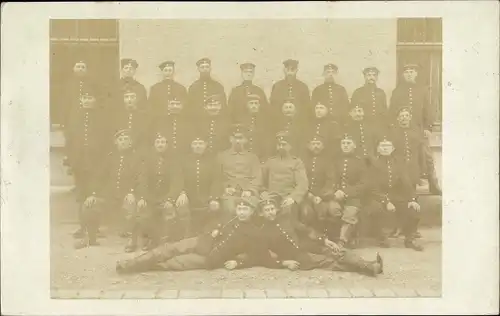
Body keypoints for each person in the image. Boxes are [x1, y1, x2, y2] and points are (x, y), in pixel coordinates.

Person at [115, 196, 264, 273]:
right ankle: (129, 264)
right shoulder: (229, 219)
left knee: (171, 264)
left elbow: (255, 255)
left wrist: (238, 263)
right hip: (202, 241)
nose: (242, 212)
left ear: (252, 212)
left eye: (246, 210)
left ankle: (135, 267)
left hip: (210, 257)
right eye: (239, 209)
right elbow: (213, 226)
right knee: (168, 249)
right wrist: (213, 232)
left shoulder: (255, 232)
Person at [256, 195, 384, 277]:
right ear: (261, 214)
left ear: (277, 209)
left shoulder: (287, 219)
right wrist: (284, 263)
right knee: (331, 262)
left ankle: (368, 265)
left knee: (338, 251)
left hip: (309, 246)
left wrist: (324, 240)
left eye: (272, 209)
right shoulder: (262, 232)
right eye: (267, 210)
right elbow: (264, 257)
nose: (270, 212)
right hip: (299, 257)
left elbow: (306, 230)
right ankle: (369, 267)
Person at [75, 129, 142, 251]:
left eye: (126, 139)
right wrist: (93, 194)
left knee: (131, 205)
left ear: (131, 143)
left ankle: (132, 240)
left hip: (127, 196)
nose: (123, 142)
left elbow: (141, 179)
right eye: (120, 140)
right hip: (110, 197)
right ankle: (91, 238)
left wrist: (132, 192)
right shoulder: (110, 158)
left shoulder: (137, 158)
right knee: (89, 204)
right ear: (115, 142)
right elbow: (99, 177)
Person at [389, 63, 441, 195]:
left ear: (416, 74)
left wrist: (428, 127)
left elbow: (428, 110)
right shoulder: (397, 91)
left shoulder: (422, 90)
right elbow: (392, 111)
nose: (409, 74)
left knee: (427, 157)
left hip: (419, 129)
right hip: (401, 130)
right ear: (403, 75)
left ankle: (434, 185)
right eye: (406, 72)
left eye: (411, 71)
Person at [365, 136, 423, 251]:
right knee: (376, 209)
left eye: (388, 146)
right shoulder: (373, 165)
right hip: (378, 196)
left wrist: (412, 199)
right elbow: (372, 187)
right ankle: (381, 238)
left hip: (396, 196)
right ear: (378, 149)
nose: (385, 148)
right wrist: (385, 201)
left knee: (412, 209)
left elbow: (406, 183)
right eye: (382, 146)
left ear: (392, 149)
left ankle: (410, 239)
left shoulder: (399, 163)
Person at [66, 83, 107, 239]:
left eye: (90, 97)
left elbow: (106, 143)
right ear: (81, 100)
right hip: (80, 163)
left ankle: (94, 228)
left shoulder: (101, 118)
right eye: (85, 98)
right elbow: (70, 141)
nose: (88, 100)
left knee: (94, 194)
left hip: (97, 164)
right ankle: (83, 227)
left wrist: (103, 164)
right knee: (81, 195)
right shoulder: (75, 118)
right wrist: (71, 161)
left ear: (95, 100)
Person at [136, 131, 185, 250]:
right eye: (158, 142)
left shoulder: (174, 160)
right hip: (151, 196)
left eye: (163, 142)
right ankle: (150, 240)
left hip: (166, 195)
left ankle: (167, 241)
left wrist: (170, 199)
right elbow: (142, 180)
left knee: (169, 211)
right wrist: (143, 197)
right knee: (144, 211)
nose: (160, 145)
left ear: (167, 145)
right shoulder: (147, 160)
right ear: (154, 144)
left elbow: (176, 181)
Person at [388, 107, 424, 239]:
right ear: (398, 119)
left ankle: (413, 229)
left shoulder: (416, 133)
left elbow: (421, 154)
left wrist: (422, 171)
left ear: (410, 117)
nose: (404, 118)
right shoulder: (393, 133)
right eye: (401, 116)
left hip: (413, 170)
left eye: (406, 115)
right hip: (398, 170)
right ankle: (398, 227)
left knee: (413, 198)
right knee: (398, 199)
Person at [328, 134, 368, 248]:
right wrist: (336, 191)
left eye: (348, 143)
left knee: (349, 214)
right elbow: (331, 178)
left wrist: (346, 192)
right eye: (343, 143)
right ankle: (348, 234)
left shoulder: (360, 162)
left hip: (354, 197)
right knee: (332, 209)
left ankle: (342, 241)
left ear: (354, 146)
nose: (345, 145)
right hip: (336, 196)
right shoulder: (335, 161)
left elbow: (364, 184)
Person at [180, 133, 223, 236]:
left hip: (206, 196)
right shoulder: (184, 160)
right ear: (191, 145)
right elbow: (179, 178)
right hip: (189, 195)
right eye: (195, 143)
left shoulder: (213, 160)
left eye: (200, 143)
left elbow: (216, 180)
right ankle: (186, 234)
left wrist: (214, 197)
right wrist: (182, 192)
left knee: (214, 208)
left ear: (206, 145)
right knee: (182, 204)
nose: (198, 146)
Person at [216, 124, 262, 218]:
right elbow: (217, 177)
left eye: (240, 138)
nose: (237, 141)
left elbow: (257, 177)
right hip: (229, 193)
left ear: (245, 140)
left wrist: (250, 190)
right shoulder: (221, 156)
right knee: (230, 208)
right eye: (235, 138)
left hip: (247, 192)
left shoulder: (252, 157)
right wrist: (225, 188)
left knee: (251, 208)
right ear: (230, 139)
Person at [148, 61, 190, 154]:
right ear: (162, 73)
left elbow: (186, 106)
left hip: (178, 122)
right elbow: (151, 107)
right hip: (160, 122)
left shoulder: (181, 88)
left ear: (173, 72)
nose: (168, 72)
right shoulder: (155, 88)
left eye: (170, 70)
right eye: (165, 70)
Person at [299, 134, 336, 235]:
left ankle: (323, 237)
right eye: (313, 144)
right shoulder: (302, 161)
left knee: (322, 211)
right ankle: (307, 236)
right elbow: (300, 179)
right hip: (305, 194)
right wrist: (307, 193)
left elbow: (330, 181)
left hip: (321, 195)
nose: (315, 146)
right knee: (306, 212)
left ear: (323, 146)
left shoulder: (328, 161)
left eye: (318, 144)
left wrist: (321, 196)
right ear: (309, 146)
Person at [109, 86, 153, 154]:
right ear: (123, 99)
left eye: (132, 97)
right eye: (126, 97)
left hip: (138, 151)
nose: (129, 100)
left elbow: (145, 136)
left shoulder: (144, 117)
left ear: (137, 99)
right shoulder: (117, 116)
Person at [234, 94, 272, 161]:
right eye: (251, 103)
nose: (254, 106)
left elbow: (267, 142)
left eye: (256, 103)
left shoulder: (265, 121)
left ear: (259, 105)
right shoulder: (240, 120)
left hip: (260, 157)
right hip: (243, 157)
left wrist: (265, 158)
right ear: (246, 105)